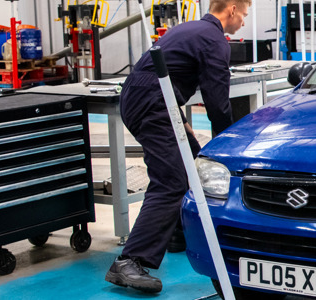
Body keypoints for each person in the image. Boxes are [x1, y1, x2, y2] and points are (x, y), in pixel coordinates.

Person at [104, 0, 249, 293]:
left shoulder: (191, 28)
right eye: (244, 15)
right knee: (171, 181)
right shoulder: (215, 41)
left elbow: (164, 72)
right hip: (152, 102)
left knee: (193, 164)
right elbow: (217, 103)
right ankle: (130, 260)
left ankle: (176, 235)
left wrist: (181, 122)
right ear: (231, 9)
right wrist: (228, 146)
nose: (243, 22)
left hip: (144, 97)